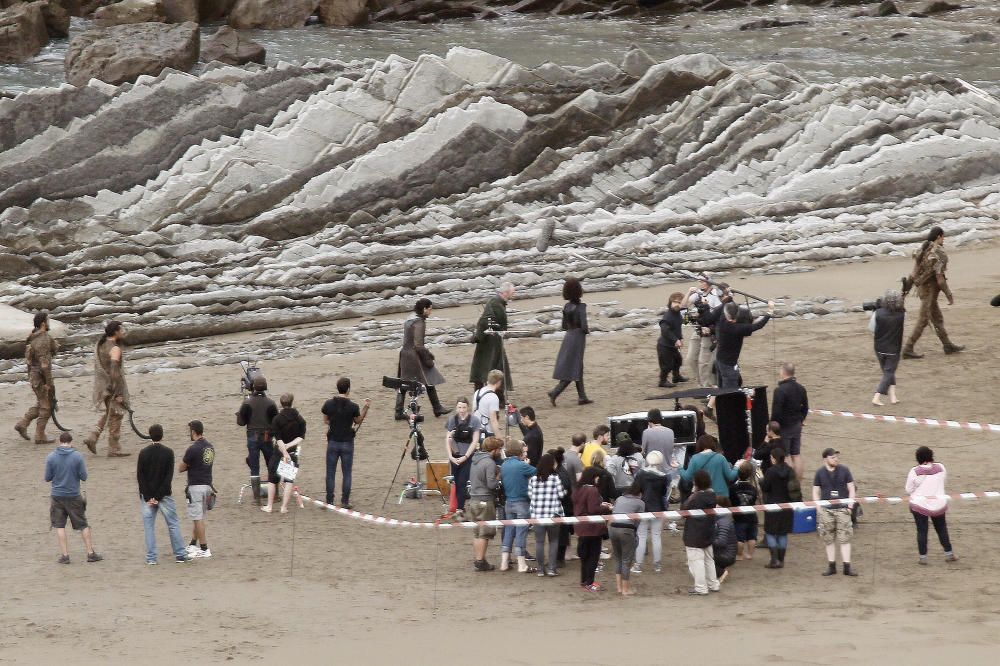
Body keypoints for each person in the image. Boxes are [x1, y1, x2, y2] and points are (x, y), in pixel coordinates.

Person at [903, 226, 963, 358]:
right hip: (930, 291)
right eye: (943, 237)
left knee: (937, 318)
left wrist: (905, 291)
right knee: (923, 320)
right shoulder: (939, 253)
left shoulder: (922, 249)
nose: (944, 239)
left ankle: (947, 345)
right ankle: (908, 348)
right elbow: (940, 279)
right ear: (938, 237)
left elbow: (913, 274)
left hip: (922, 290)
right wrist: (949, 295)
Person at [45, 432, 103, 564]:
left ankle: (65, 555)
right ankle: (90, 553)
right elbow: (84, 476)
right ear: (71, 442)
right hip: (73, 495)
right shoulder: (77, 456)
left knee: (59, 526)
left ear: (60, 442)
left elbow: (47, 477)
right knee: (83, 524)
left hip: (57, 496)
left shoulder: (51, 457)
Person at [137, 424, 189, 564]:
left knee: (149, 527)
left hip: (147, 496)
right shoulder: (168, 452)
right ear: (162, 435)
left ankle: (151, 558)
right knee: (173, 524)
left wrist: (149, 497)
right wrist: (158, 496)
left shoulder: (143, 453)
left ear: (149, 435)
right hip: (164, 495)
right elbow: (168, 477)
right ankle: (180, 554)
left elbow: (140, 477)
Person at [395, 298, 451, 419]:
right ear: (424, 309)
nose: (431, 312)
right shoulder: (419, 322)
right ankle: (437, 408)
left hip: (405, 354)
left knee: (404, 382)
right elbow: (418, 345)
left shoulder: (410, 318)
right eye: (430, 309)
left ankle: (398, 411)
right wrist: (428, 357)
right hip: (414, 356)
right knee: (428, 378)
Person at [83, 320, 131, 457]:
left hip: (104, 385)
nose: (123, 332)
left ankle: (93, 437)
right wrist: (118, 393)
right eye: (121, 330)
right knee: (117, 414)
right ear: (116, 332)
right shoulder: (115, 348)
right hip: (112, 386)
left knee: (109, 412)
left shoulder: (102, 344)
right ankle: (114, 448)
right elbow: (115, 372)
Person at [321, 378, 369, 509]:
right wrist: (365, 407)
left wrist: (334, 422)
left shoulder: (328, 404)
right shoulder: (353, 406)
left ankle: (329, 500)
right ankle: (345, 501)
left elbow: (326, 420)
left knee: (330, 472)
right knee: (347, 472)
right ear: (348, 389)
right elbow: (358, 420)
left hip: (333, 441)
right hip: (347, 442)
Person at [706, 299, 775, 391]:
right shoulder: (737, 329)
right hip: (728, 365)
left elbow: (724, 309)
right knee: (730, 392)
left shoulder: (722, 322)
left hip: (719, 360)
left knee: (721, 389)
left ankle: (716, 404)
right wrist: (770, 311)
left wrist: (727, 297)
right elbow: (758, 326)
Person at [905, 446, 958, 565]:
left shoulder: (914, 471)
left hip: (920, 505)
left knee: (922, 531)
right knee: (942, 529)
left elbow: (908, 489)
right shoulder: (941, 467)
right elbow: (944, 480)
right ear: (931, 456)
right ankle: (949, 553)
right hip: (938, 504)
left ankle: (923, 557)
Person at [548, 276, 592, 406]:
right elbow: (584, 326)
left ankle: (582, 397)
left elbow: (563, 325)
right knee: (575, 368)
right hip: (578, 337)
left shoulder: (566, 307)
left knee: (577, 367)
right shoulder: (581, 307)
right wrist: (586, 332)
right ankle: (555, 392)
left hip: (569, 336)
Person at [813, 448, 858, 577]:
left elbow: (851, 488)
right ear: (825, 459)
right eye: (832, 457)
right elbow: (815, 491)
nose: (836, 459)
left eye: (837, 457)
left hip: (843, 509)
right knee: (828, 539)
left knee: (845, 539)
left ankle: (846, 567)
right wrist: (819, 508)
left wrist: (850, 506)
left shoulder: (845, 470)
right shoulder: (819, 473)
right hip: (826, 510)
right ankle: (831, 566)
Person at [16, 311, 58, 445]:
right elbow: (45, 365)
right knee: (46, 407)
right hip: (40, 378)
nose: (50, 322)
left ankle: (23, 423)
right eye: (48, 320)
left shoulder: (34, 337)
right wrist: (49, 383)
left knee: (41, 403)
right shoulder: (42, 339)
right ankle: (40, 435)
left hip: (33, 376)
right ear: (43, 323)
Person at [263, 393, 307, 514]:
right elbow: (301, 437)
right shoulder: (299, 418)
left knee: (272, 478)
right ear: (292, 402)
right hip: (293, 452)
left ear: (281, 404)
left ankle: (270, 506)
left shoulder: (277, 419)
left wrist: (284, 450)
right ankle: (284, 507)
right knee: (289, 480)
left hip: (278, 452)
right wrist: (289, 447)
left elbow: (278, 438)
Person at [237, 374, 277, 504]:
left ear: (253, 387)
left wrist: (240, 414)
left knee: (254, 467)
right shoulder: (271, 403)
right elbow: (275, 422)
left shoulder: (247, 402)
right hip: (267, 437)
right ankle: (275, 495)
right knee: (272, 465)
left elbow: (241, 423)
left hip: (252, 437)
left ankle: (257, 498)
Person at [470, 282, 515, 395]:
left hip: (493, 341)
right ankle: (484, 395)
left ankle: (496, 396)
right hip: (489, 342)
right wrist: (478, 337)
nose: (513, 294)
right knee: (491, 368)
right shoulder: (495, 302)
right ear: (505, 292)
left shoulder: (499, 303)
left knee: (493, 367)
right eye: (512, 292)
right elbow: (485, 320)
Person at [499, 440, 536, 573]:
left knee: (509, 531)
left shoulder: (504, 465)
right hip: (521, 502)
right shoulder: (522, 466)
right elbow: (537, 472)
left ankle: (504, 562)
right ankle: (521, 564)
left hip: (508, 502)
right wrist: (527, 465)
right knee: (521, 532)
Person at [573, 467, 612, 592]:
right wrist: (606, 508)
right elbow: (593, 509)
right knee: (593, 557)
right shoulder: (592, 490)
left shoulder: (578, 489)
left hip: (581, 528)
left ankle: (584, 581)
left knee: (584, 557)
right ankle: (589, 582)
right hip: (593, 529)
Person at [180, 420, 214, 559]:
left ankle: (204, 548)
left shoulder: (193, 449)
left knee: (197, 518)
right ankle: (193, 543)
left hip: (196, 486)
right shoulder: (209, 447)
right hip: (207, 485)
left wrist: (189, 466)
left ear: (193, 432)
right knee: (198, 517)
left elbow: (181, 467)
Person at [528, 453, 566, 577]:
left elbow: (530, 495)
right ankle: (551, 568)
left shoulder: (533, 479)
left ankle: (540, 569)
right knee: (553, 541)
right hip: (553, 514)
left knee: (539, 542)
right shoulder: (555, 478)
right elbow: (561, 495)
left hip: (537, 515)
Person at [681, 274, 723, 387]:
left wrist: (710, 328)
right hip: (698, 328)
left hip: (709, 331)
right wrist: (689, 292)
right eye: (699, 281)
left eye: (702, 281)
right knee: (691, 358)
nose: (699, 283)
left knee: (704, 362)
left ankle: (707, 386)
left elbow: (719, 314)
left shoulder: (715, 295)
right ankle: (701, 382)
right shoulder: (698, 294)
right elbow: (683, 305)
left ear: (709, 282)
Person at [469, 436, 503, 571]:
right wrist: (498, 476)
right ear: (493, 450)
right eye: (499, 449)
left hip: (474, 500)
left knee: (477, 532)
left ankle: (479, 559)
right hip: (485, 500)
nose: (500, 452)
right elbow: (491, 484)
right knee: (485, 533)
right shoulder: (489, 463)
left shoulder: (475, 461)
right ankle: (480, 560)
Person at [683, 469, 719, 595]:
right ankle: (713, 584)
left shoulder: (696, 498)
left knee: (696, 561)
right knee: (709, 559)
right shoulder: (712, 495)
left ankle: (700, 587)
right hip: (708, 531)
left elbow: (684, 509)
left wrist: (693, 494)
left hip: (695, 533)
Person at [771, 362, 808, 482]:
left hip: (784, 427)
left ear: (783, 372)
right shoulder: (801, 388)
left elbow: (776, 412)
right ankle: (797, 483)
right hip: (796, 425)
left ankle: (787, 484)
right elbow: (805, 407)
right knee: (796, 454)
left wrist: (773, 427)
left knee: (784, 456)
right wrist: (800, 419)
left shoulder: (780, 390)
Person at [633, 450, 669, 574]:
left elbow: (636, 489)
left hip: (643, 507)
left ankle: (638, 564)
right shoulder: (663, 477)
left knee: (641, 536)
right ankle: (657, 564)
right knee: (656, 536)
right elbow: (663, 493)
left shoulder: (641, 474)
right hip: (658, 508)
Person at [444, 398, 479, 517]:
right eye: (459, 407)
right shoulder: (452, 420)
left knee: (462, 481)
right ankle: (458, 506)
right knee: (456, 481)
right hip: (454, 455)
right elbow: (448, 439)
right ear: (456, 408)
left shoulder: (474, 421)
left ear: (468, 407)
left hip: (467, 456)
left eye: (464, 407)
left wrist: (466, 456)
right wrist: (450, 456)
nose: (462, 410)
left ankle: (460, 508)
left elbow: (475, 441)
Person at [760, 447, 794, 569]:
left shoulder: (770, 471)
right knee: (783, 534)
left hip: (772, 505)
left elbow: (765, 488)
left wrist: (760, 479)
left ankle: (774, 560)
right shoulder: (790, 471)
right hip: (787, 506)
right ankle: (781, 559)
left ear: (774, 458)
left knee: (770, 532)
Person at [609, 480, 644, 596]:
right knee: (626, 560)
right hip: (627, 529)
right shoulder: (640, 503)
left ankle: (619, 588)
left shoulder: (619, 499)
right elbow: (637, 522)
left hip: (613, 528)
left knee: (618, 558)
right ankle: (625, 589)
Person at [871, 289, 905, 406]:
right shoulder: (901, 314)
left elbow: (871, 329)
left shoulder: (878, 313)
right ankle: (876, 397)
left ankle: (893, 397)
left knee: (888, 372)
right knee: (889, 373)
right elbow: (902, 309)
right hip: (893, 350)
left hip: (879, 348)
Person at [680, 435, 738, 500]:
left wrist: (679, 467)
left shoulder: (694, 459)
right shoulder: (721, 458)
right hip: (721, 496)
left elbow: (687, 477)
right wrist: (736, 467)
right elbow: (731, 477)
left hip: (703, 496)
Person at [550, 447, 576, 564]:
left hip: (564, 507)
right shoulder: (559, 472)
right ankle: (559, 558)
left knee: (562, 534)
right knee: (561, 534)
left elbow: (564, 493)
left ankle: (559, 559)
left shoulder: (561, 474)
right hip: (563, 506)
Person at [657, 292, 687, 388]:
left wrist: (680, 338)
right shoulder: (668, 316)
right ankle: (662, 381)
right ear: (670, 302)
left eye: (679, 303)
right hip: (664, 345)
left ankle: (676, 376)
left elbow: (677, 329)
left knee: (678, 361)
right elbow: (665, 330)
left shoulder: (678, 314)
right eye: (675, 302)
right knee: (666, 365)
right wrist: (675, 340)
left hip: (673, 345)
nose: (677, 305)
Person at [731, 460, 759, 561]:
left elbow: (732, 501)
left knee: (739, 538)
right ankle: (750, 554)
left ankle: (739, 555)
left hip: (739, 517)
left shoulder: (733, 488)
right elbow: (754, 500)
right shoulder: (753, 489)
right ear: (750, 475)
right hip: (752, 516)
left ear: (738, 474)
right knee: (752, 537)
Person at [473, 369, 504, 440]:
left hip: (475, 431)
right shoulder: (493, 397)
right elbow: (493, 420)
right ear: (498, 382)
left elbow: (473, 412)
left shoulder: (477, 392)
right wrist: (499, 438)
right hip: (487, 433)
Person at [713, 497, 738, 583]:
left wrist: (708, 541)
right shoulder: (724, 519)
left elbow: (721, 542)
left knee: (703, 557)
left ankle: (721, 573)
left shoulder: (723, 521)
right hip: (726, 553)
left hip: (726, 555)